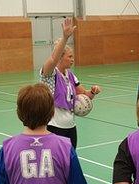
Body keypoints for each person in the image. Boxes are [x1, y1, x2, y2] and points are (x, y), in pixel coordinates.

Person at [40, 18, 101, 148]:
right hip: (54, 126)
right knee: (57, 161)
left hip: (71, 126)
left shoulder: (71, 76)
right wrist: (65, 38)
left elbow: (84, 95)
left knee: (70, 159)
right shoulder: (50, 75)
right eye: (70, 56)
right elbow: (52, 58)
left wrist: (93, 91)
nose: (73, 59)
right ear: (60, 57)